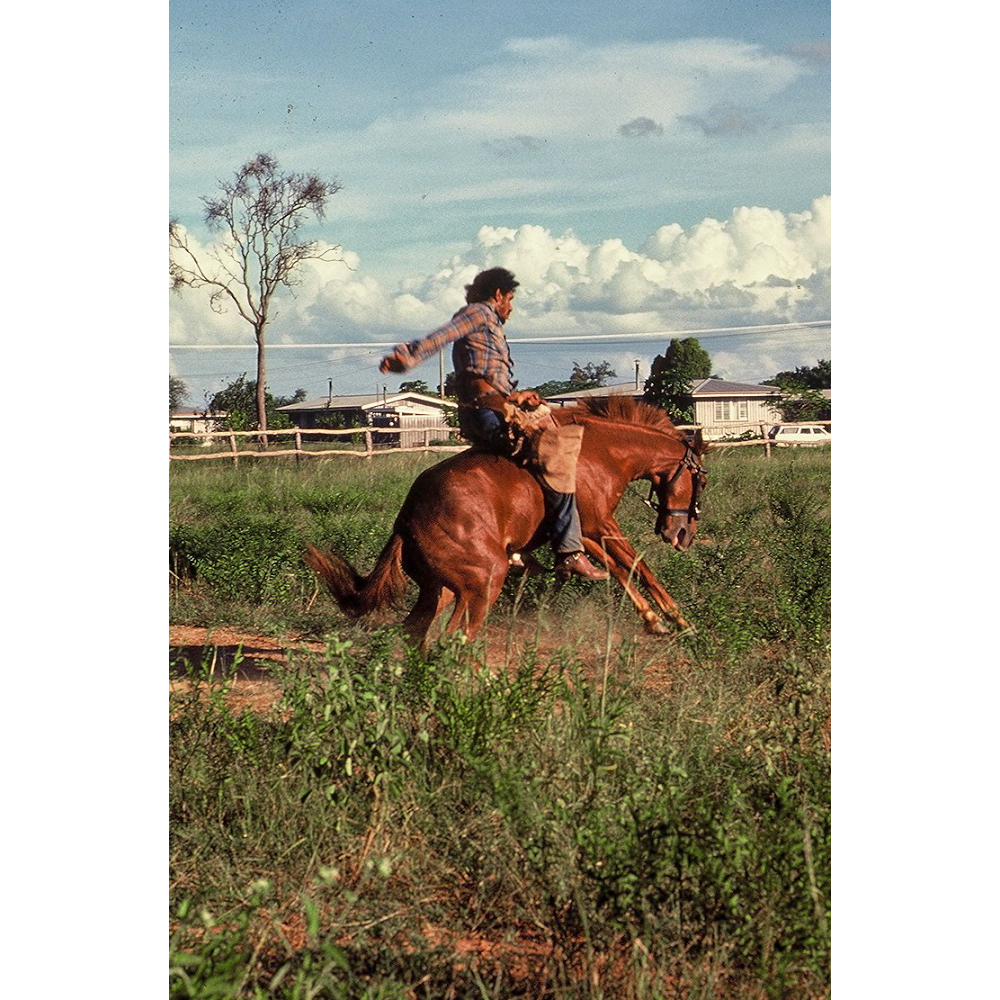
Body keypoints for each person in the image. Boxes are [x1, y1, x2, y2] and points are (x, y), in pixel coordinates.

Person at [379, 267, 608, 581]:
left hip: (493, 407)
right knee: (558, 455)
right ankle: (569, 551)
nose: (511, 308)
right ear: (498, 294)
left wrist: (517, 395)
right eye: (510, 299)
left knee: (539, 448)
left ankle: (517, 546)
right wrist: (409, 357)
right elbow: (443, 335)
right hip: (486, 413)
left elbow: (486, 375)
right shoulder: (480, 314)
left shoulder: (489, 325)